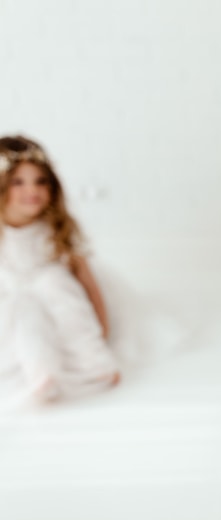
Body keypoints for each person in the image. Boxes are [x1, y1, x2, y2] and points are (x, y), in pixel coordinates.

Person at [0, 135, 120, 404]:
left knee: (54, 282)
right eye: (18, 182)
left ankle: (94, 360)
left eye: (41, 181)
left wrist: (102, 327)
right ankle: (41, 372)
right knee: (22, 306)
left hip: (56, 297)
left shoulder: (55, 228)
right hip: (11, 301)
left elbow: (87, 281)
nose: (32, 191)